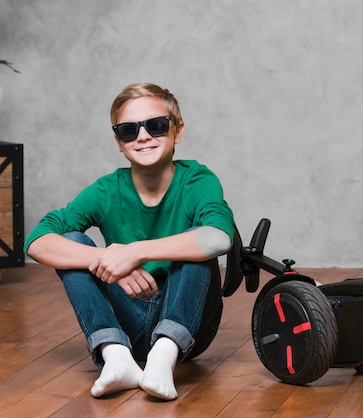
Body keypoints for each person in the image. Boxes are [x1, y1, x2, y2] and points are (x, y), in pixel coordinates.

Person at [24, 83, 234, 401]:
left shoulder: (197, 180)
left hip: (188, 328)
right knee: (71, 242)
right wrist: (104, 259)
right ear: (119, 143)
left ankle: (164, 356)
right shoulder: (108, 190)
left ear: (177, 132)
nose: (143, 136)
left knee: (196, 239)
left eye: (156, 125)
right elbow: (37, 240)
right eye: (128, 130)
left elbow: (220, 236)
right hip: (128, 322)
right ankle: (115, 356)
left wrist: (134, 252)